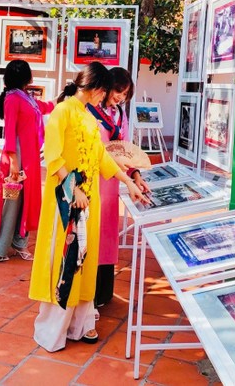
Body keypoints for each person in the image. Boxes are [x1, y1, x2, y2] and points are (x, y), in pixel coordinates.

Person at [29, 62, 148, 352]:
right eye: (105, 91)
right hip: (67, 202)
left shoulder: (86, 116)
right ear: (95, 87)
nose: (106, 98)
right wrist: (74, 190)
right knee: (66, 260)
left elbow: (101, 158)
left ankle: (79, 324)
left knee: (84, 260)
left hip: (88, 200)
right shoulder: (62, 113)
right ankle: (52, 329)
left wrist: (128, 181)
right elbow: (54, 158)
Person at [87, 67, 150, 309]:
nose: (120, 97)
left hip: (113, 180)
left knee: (107, 233)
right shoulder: (90, 111)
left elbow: (124, 147)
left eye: (125, 93)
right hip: (94, 178)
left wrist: (135, 174)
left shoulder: (119, 114)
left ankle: (103, 291)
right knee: (92, 230)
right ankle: (87, 291)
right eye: (117, 91)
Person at [0, 60, 55, 262]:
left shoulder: (26, 97)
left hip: (29, 155)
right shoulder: (13, 99)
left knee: (25, 199)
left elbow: (46, 107)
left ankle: (19, 242)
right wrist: (13, 161)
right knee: (10, 199)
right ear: (26, 76)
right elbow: (10, 131)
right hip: (17, 154)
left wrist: (62, 99)